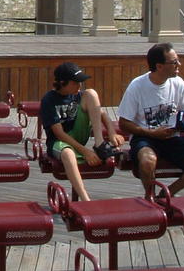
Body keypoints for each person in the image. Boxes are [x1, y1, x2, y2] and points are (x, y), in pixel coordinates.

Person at [118, 43, 184, 196]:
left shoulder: (178, 83)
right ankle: (150, 196)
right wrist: (151, 132)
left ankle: (167, 194)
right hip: (145, 138)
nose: (179, 64)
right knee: (147, 160)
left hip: (172, 138)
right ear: (159, 66)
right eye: (174, 62)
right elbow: (123, 122)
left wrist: (178, 127)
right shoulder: (137, 86)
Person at [40, 61, 125, 201]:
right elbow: (59, 133)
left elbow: (103, 114)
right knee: (68, 153)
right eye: (75, 83)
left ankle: (99, 144)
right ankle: (85, 199)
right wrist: (85, 152)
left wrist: (111, 132)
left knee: (91, 93)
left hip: (79, 135)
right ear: (62, 82)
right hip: (59, 142)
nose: (80, 86)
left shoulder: (80, 95)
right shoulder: (49, 100)